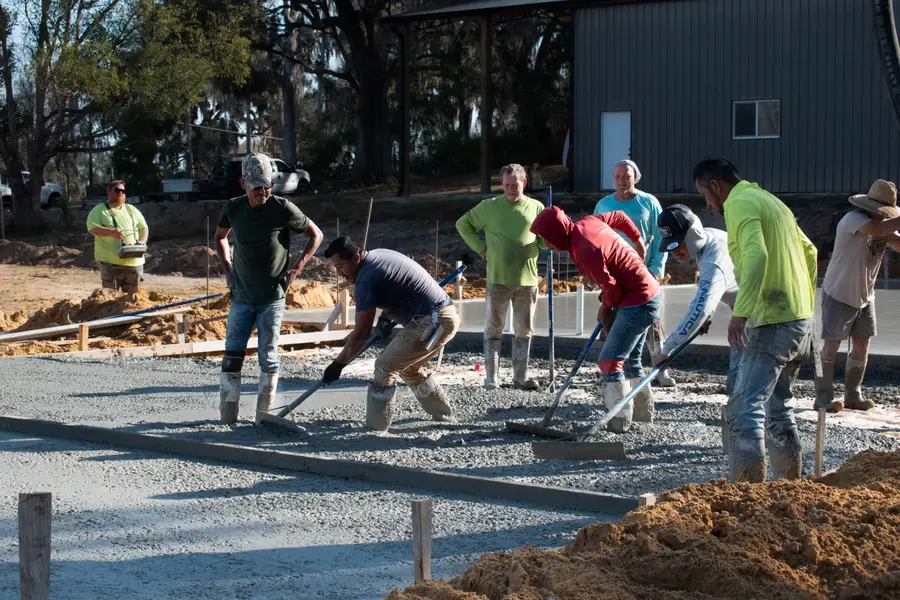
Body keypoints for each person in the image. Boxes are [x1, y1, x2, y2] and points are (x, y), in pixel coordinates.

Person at [693, 158, 817, 483]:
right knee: (779, 408)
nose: (707, 204)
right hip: (799, 319)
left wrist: (742, 312)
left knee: (744, 409)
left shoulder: (739, 203)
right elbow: (811, 252)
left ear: (715, 186)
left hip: (772, 321)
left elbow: (757, 255)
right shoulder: (771, 202)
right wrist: (804, 302)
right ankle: (789, 487)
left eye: (705, 195)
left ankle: (747, 503)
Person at [214, 153, 323, 425]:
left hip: (272, 297)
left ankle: (263, 418)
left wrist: (296, 269)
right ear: (243, 185)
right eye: (256, 187)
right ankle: (228, 417)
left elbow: (316, 235)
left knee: (269, 358)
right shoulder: (233, 208)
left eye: (266, 186)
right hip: (241, 295)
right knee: (232, 355)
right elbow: (220, 238)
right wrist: (227, 269)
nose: (262, 192)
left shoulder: (282, 208)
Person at [530, 206, 658, 433]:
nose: (547, 245)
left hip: (637, 300)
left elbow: (613, 291)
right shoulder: (588, 222)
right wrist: (637, 242)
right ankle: (643, 414)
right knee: (630, 359)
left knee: (609, 361)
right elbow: (619, 217)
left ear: (557, 232)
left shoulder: (583, 249)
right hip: (649, 294)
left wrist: (605, 309)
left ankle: (619, 421)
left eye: (547, 239)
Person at [321, 236, 460, 431]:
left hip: (433, 321)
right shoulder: (379, 255)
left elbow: (361, 333)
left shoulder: (366, 279)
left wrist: (338, 364)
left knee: (384, 367)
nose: (339, 273)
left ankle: (376, 429)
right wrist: (386, 318)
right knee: (408, 368)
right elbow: (398, 287)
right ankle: (444, 416)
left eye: (340, 266)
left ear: (355, 258)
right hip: (445, 316)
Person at [456, 163, 544, 391]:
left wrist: (551, 242)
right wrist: (479, 247)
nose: (510, 189)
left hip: (528, 280)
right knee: (494, 328)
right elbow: (462, 224)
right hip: (498, 279)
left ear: (524, 183)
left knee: (524, 330)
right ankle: (491, 378)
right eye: (506, 185)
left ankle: (520, 377)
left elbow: (543, 240)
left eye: (514, 185)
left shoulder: (537, 207)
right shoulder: (489, 207)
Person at [816, 179, 900, 412]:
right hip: (839, 293)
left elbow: (895, 241)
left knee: (862, 342)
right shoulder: (853, 220)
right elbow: (878, 231)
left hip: (865, 296)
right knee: (831, 345)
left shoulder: (883, 224)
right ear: (870, 207)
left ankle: (853, 394)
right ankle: (823, 396)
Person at [593, 160, 674, 387]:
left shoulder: (648, 202)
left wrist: (656, 268)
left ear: (635, 177)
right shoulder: (603, 205)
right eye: (617, 176)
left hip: (646, 275)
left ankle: (660, 369)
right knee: (619, 326)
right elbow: (597, 240)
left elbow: (660, 238)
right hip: (616, 278)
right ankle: (618, 373)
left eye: (626, 176)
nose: (621, 181)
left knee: (653, 326)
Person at [651, 204, 740, 393]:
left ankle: (744, 416)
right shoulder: (710, 238)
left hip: (760, 317)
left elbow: (699, 309)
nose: (674, 253)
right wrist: (707, 314)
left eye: (678, 244)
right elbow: (708, 302)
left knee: (742, 383)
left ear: (693, 235)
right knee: (742, 378)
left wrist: (667, 349)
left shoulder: (713, 261)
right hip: (748, 312)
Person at [86, 180, 149, 293]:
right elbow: (92, 228)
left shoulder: (132, 209)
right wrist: (110, 232)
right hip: (111, 263)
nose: (120, 193)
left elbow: (143, 227)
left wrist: (142, 241)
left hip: (134, 262)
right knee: (110, 298)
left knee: (134, 298)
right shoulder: (100, 210)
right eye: (117, 190)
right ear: (109, 192)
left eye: (123, 191)